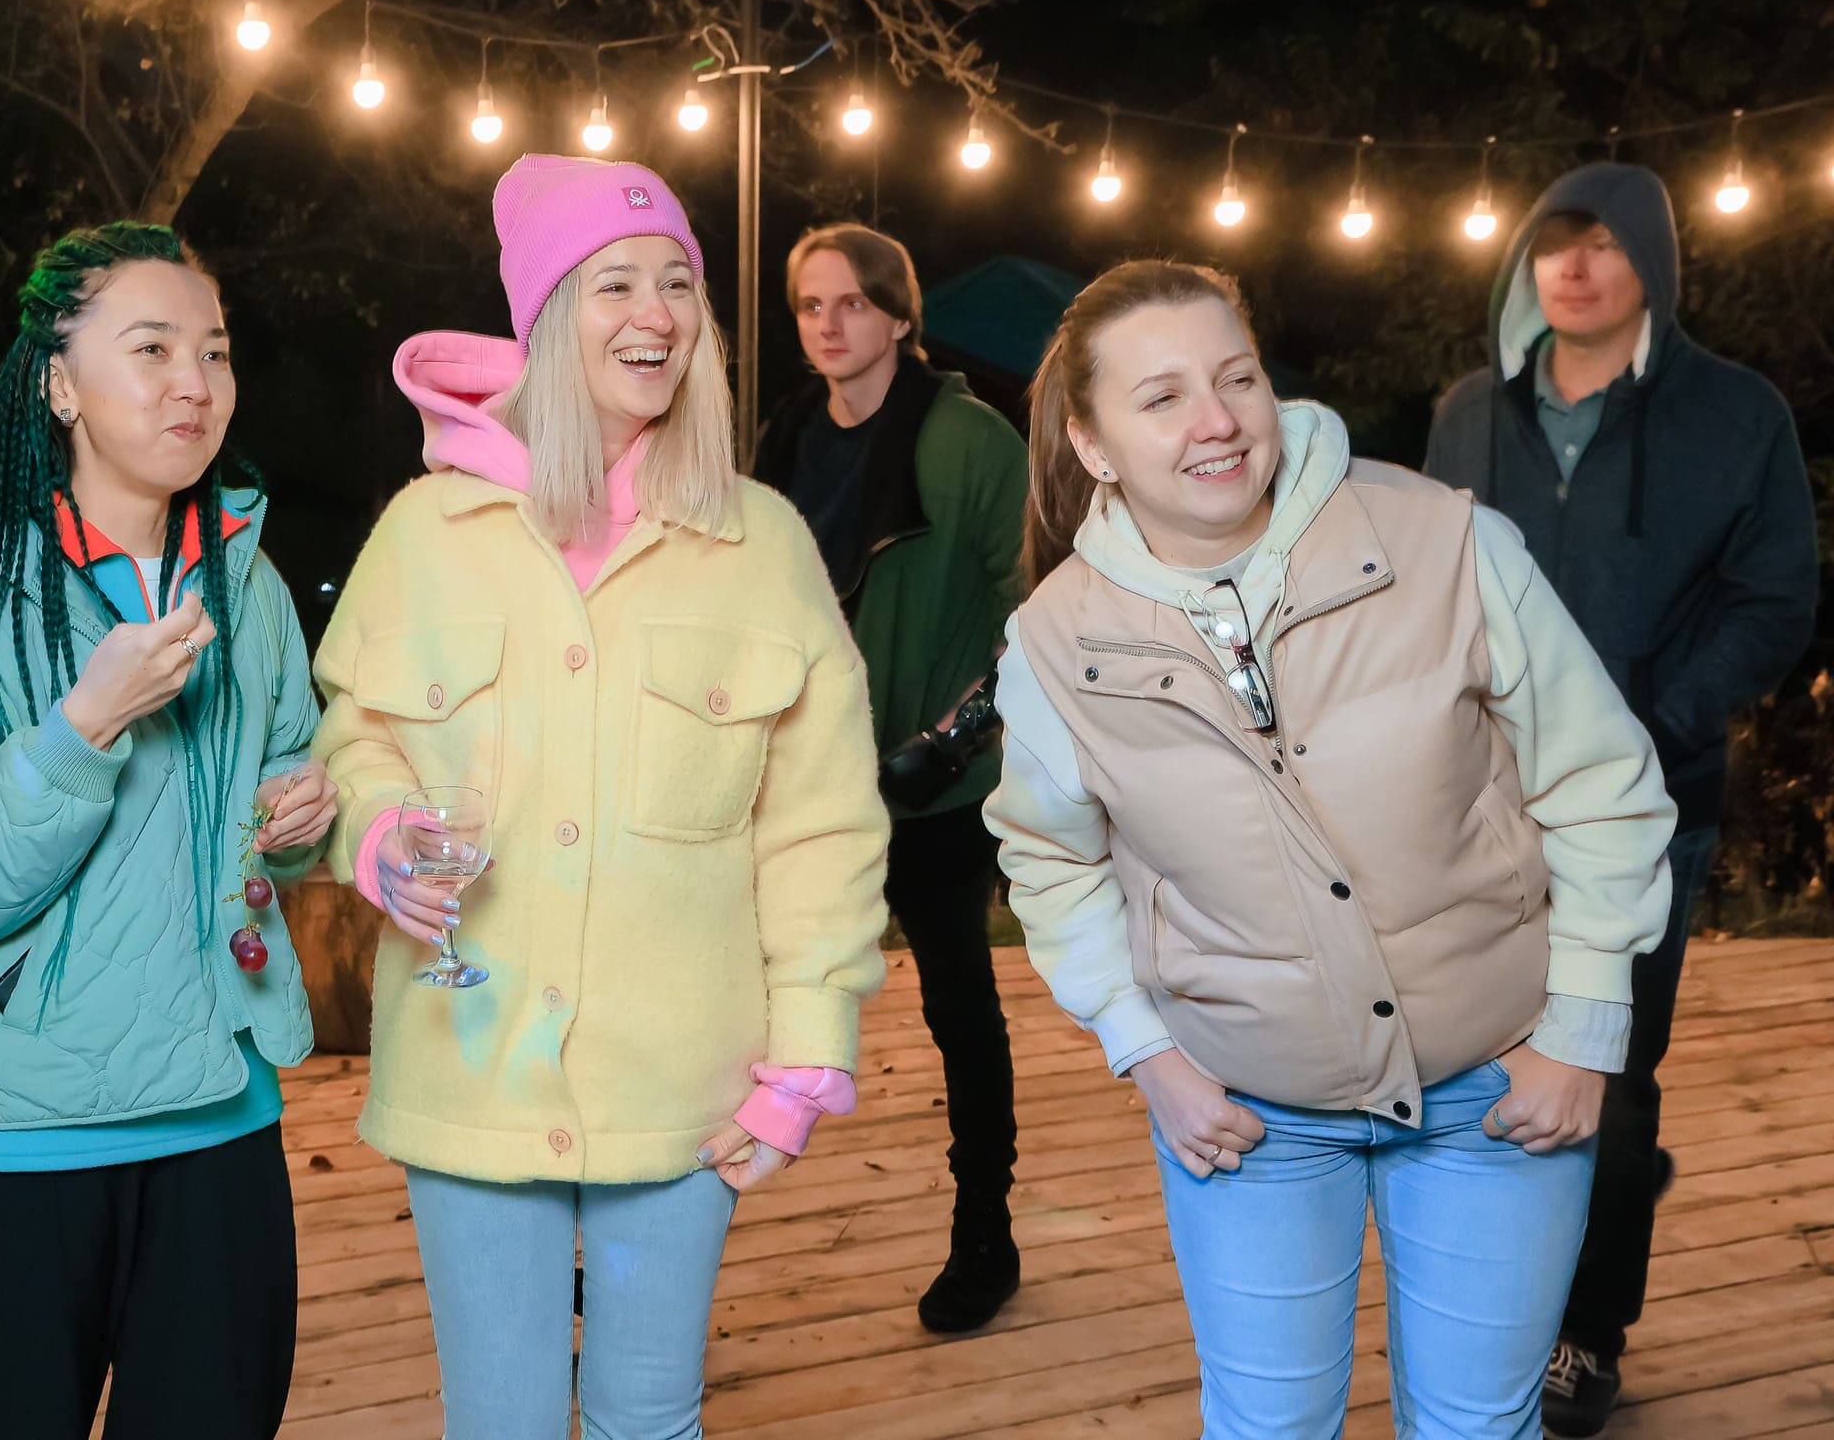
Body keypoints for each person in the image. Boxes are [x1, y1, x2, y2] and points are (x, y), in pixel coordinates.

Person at [987, 259, 1676, 1439]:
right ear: (1091, 443)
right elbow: (1052, 863)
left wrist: (1582, 1023)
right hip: (1245, 1114)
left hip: (1497, 1084)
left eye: (1236, 378)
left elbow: (1601, 783)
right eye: (1160, 397)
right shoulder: (1054, 643)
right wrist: (1147, 1052)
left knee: (1477, 1425)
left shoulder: (1445, 541)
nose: (1215, 421)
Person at [312, 155, 891, 1439]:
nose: (656, 313)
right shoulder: (425, 530)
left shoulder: (759, 541)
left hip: (690, 1085)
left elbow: (822, 829)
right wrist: (383, 833)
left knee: (649, 1419)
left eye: (678, 283)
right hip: (470, 1068)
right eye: (615, 282)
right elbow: (355, 739)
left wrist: (807, 1054)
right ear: (544, 314)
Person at [0, 222, 338, 1440]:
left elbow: (280, 790)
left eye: (215, 351)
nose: (196, 382)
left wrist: (299, 812)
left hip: (222, 1109)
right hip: (17, 1132)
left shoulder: (246, 580)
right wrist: (86, 724)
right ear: (59, 383)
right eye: (152, 348)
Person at [1422, 163, 1818, 1435]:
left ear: (1652, 259)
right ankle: (1502, 1300)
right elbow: (1424, 588)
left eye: (1601, 243)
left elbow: (1775, 598)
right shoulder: (1467, 414)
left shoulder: (1734, 413)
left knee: (1614, 1063)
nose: (1574, 266)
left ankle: (1586, 1330)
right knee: (1478, 1051)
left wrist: (1654, 725)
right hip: (1483, 802)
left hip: (1651, 802)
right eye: (1554, 243)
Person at [751, 222, 1029, 1333]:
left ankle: (985, 1232)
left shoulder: (968, 440)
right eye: (810, 305)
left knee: (958, 1003)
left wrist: (958, 735)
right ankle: (659, 1225)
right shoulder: (785, 434)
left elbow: (1042, 603)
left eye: (853, 302)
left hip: (931, 784)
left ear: (900, 314)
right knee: (727, 994)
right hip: (801, 776)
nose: (829, 324)